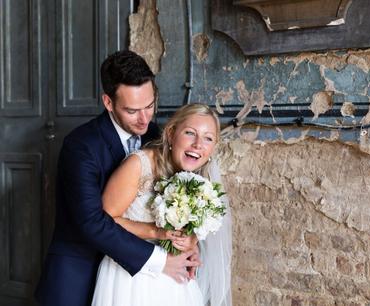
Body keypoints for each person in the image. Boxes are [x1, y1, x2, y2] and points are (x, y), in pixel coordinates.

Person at [35, 50, 200, 306]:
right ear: (108, 102)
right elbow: (92, 222)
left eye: (150, 105)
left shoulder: (157, 135)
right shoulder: (80, 146)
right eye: (133, 111)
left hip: (138, 285)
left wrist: (188, 242)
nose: (145, 118)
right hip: (81, 272)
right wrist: (160, 260)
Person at [91, 103, 232, 306]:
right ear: (171, 133)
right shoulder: (139, 165)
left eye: (208, 138)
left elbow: (190, 229)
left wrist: (191, 242)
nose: (198, 144)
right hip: (131, 277)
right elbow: (104, 220)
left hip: (174, 280)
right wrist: (157, 232)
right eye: (190, 133)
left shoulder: (200, 179)